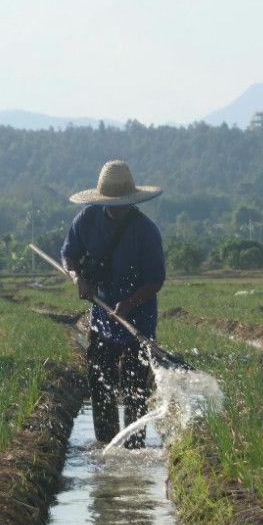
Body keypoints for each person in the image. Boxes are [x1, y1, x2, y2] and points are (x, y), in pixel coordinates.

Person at [61, 160, 166, 448]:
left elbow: (155, 280)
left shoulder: (145, 231)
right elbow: (68, 255)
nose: (116, 208)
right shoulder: (87, 220)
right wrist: (77, 278)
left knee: (134, 389)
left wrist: (130, 303)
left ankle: (134, 447)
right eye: (112, 203)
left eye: (122, 203)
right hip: (102, 316)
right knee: (101, 384)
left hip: (137, 320)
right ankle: (106, 443)